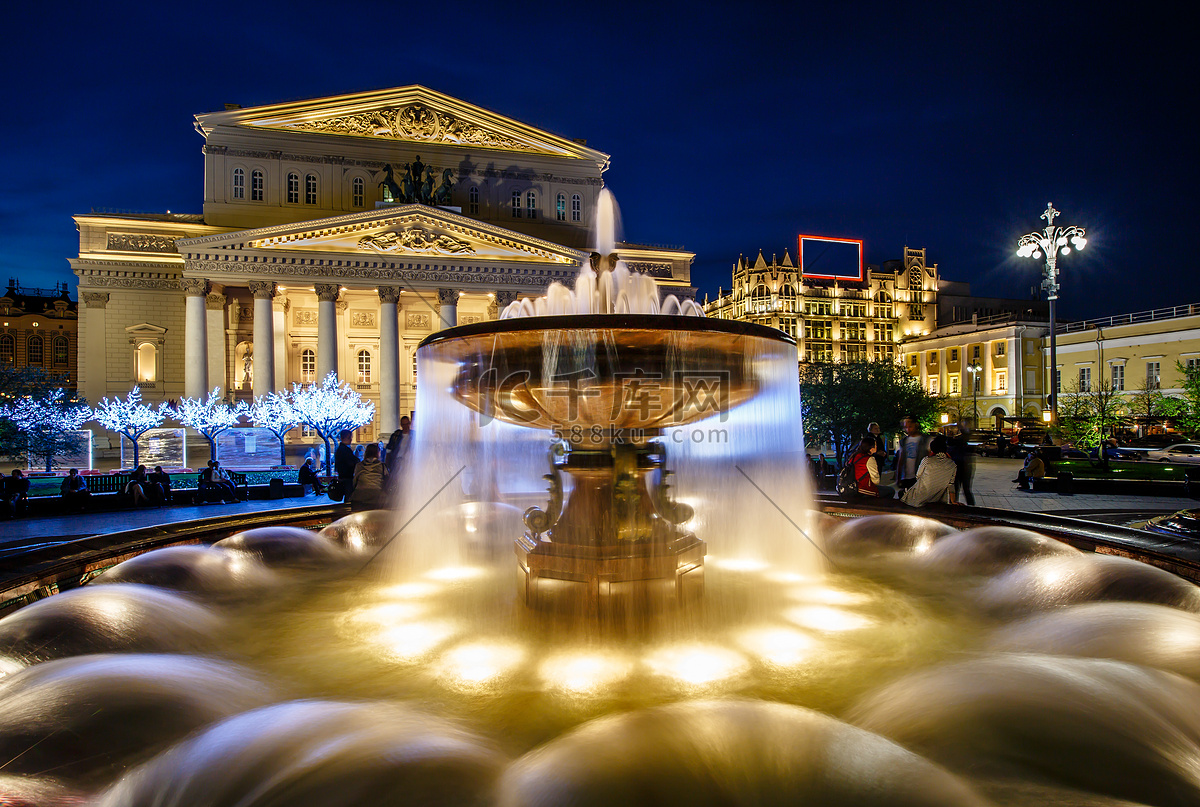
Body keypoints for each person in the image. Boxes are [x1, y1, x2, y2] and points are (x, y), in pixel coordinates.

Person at [901, 435, 958, 507]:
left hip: (919, 498)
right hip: (937, 498)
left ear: (932, 449)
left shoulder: (927, 460)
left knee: (903, 493)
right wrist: (953, 501)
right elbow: (951, 484)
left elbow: (918, 476)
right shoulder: (952, 464)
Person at [895, 416, 931, 490]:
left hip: (921, 476)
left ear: (916, 425)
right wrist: (898, 477)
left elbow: (930, 458)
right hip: (907, 476)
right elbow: (900, 460)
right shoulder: (903, 441)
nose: (908, 429)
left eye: (910, 426)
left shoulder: (926, 440)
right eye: (905, 427)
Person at [948, 420, 976, 506]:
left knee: (962, 489)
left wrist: (960, 427)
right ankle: (956, 505)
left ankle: (956, 506)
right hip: (960, 465)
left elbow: (965, 436)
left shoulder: (960, 440)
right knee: (958, 489)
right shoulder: (955, 441)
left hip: (962, 466)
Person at [350, 443, 386, 510]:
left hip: (359, 496)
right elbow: (387, 481)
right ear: (377, 453)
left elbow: (355, 481)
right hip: (377, 496)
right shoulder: (382, 466)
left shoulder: (359, 465)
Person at [333, 429, 359, 501]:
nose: (351, 440)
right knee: (349, 496)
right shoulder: (345, 450)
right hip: (347, 476)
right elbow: (351, 462)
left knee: (348, 496)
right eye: (349, 438)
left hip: (344, 475)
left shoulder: (341, 449)